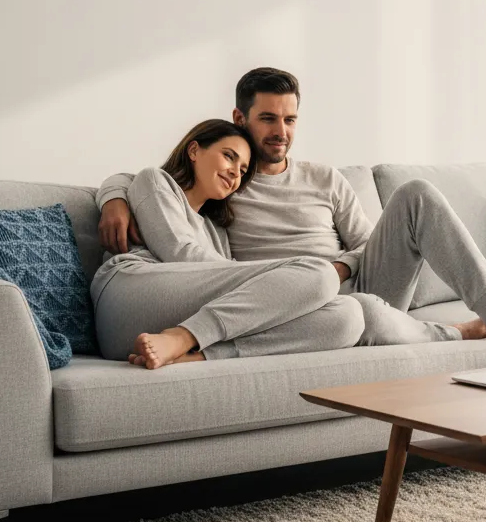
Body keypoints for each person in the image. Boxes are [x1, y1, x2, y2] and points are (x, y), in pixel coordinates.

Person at [97, 67, 486, 350]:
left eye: (289, 120)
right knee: (353, 313)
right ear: (240, 118)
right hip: (287, 303)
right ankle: (450, 333)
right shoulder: (225, 189)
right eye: (267, 118)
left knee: (417, 194)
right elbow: (159, 186)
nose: (280, 132)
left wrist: (340, 269)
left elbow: (367, 245)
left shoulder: (324, 178)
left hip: (358, 284)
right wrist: (114, 195)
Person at [91, 118, 365, 369]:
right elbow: (180, 253)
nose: (235, 172)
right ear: (194, 150)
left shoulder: (217, 231)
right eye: (228, 157)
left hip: (163, 324)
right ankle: (184, 336)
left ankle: (193, 350)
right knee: (320, 273)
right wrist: (280, 280)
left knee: (347, 317)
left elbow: (217, 284)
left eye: (243, 169)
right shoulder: (155, 181)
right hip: (127, 296)